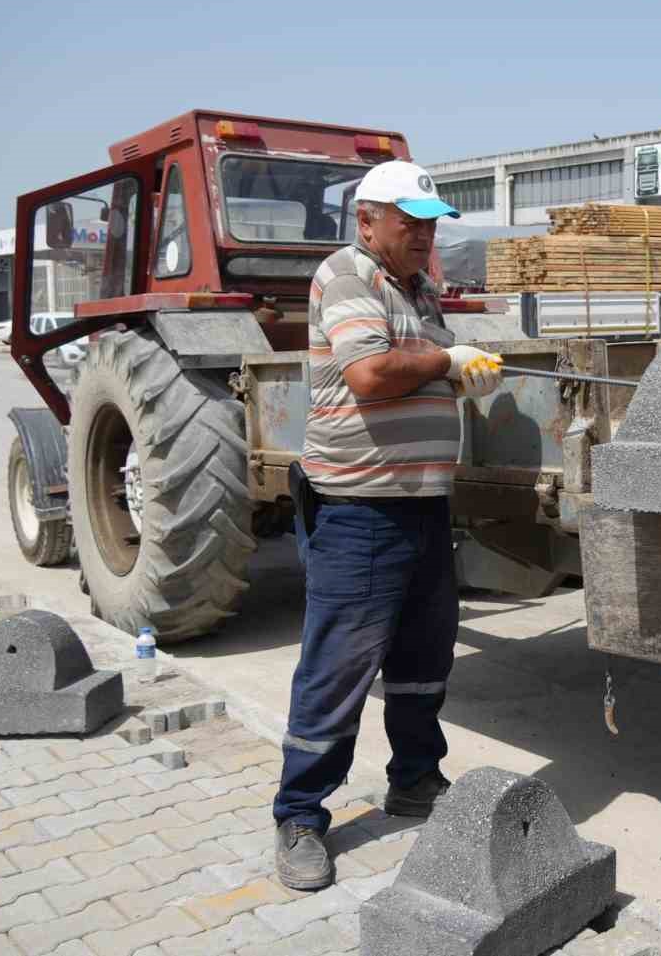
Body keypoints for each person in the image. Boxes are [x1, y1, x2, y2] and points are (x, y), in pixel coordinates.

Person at [272, 159, 504, 891]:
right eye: (410, 223)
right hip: (361, 507)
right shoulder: (346, 275)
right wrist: (446, 358)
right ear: (368, 219)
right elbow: (372, 374)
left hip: (421, 501)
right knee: (340, 665)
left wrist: (455, 370)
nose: (423, 236)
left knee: (423, 657)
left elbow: (416, 363)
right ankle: (301, 813)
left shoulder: (419, 287)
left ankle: (415, 780)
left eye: (430, 225)